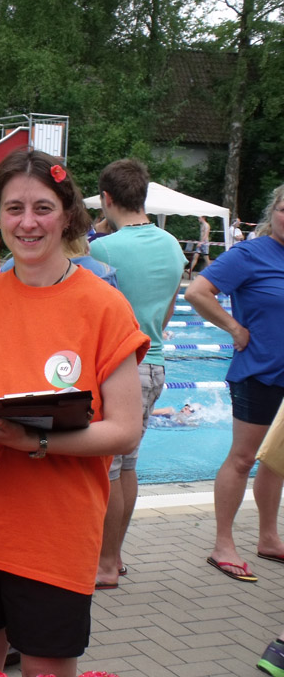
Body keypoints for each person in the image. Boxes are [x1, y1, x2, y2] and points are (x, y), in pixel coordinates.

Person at [0, 150, 148, 677]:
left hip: (56, 533)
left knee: (45, 668)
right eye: (14, 208)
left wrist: (37, 443)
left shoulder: (104, 306)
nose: (28, 222)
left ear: (67, 215)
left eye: (43, 208)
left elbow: (125, 429)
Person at [90, 158, 188, 589]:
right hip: (156, 362)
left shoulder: (104, 250)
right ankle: (115, 555)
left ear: (106, 198)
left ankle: (105, 563)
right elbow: (167, 311)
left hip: (122, 367)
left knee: (109, 469)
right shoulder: (172, 246)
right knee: (128, 465)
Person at [185, 184, 284, 583]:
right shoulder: (250, 254)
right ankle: (222, 545)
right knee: (243, 458)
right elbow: (197, 291)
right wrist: (233, 328)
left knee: (277, 459)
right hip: (259, 373)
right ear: (272, 212)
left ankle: (269, 538)